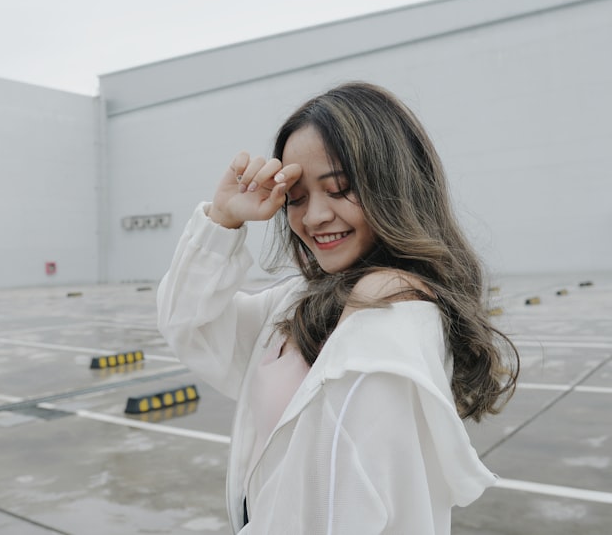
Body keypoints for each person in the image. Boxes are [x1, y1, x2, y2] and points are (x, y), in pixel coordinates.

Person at [157, 82, 519, 534]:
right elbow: (191, 327)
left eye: (340, 189)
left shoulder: (393, 315)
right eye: (297, 197)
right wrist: (223, 220)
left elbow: (342, 511)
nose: (313, 217)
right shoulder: (301, 300)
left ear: (394, 187)